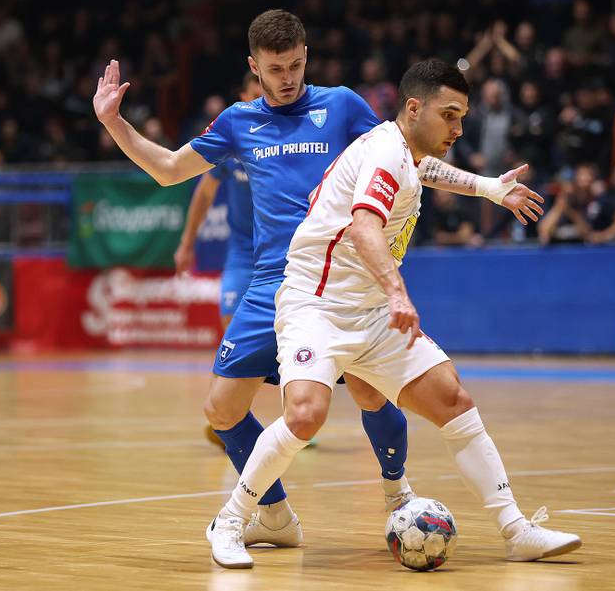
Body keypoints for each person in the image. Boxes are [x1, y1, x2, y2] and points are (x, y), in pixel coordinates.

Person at [94, 9, 543, 553]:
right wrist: (115, 123)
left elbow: (411, 159)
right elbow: (168, 169)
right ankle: (274, 515)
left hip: (350, 280)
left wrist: (487, 188)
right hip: (275, 284)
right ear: (253, 65)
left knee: (371, 391)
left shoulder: (342, 106)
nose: (287, 78)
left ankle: (398, 498)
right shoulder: (238, 121)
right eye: (275, 68)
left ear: (307, 57)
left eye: (296, 65)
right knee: (222, 409)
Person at [207, 59, 580, 569]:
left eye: (462, 117)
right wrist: (399, 294)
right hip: (316, 304)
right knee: (304, 414)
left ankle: (515, 530)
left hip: (369, 308)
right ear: (413, 107)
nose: (458, 128)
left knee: (452, 398)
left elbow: (429, 172)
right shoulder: (385, 152)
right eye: (449, 115)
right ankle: (229, 523)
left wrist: (490, 187)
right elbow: (363, 229)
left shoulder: (404, 151)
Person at [174, 72, 262, 330]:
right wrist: (187, 244)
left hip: (285, 253)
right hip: (243, 254)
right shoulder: (233, 137)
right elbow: (204, 192)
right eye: (255, 97)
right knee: (232, 329)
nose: (261, 102)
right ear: (244, 98)